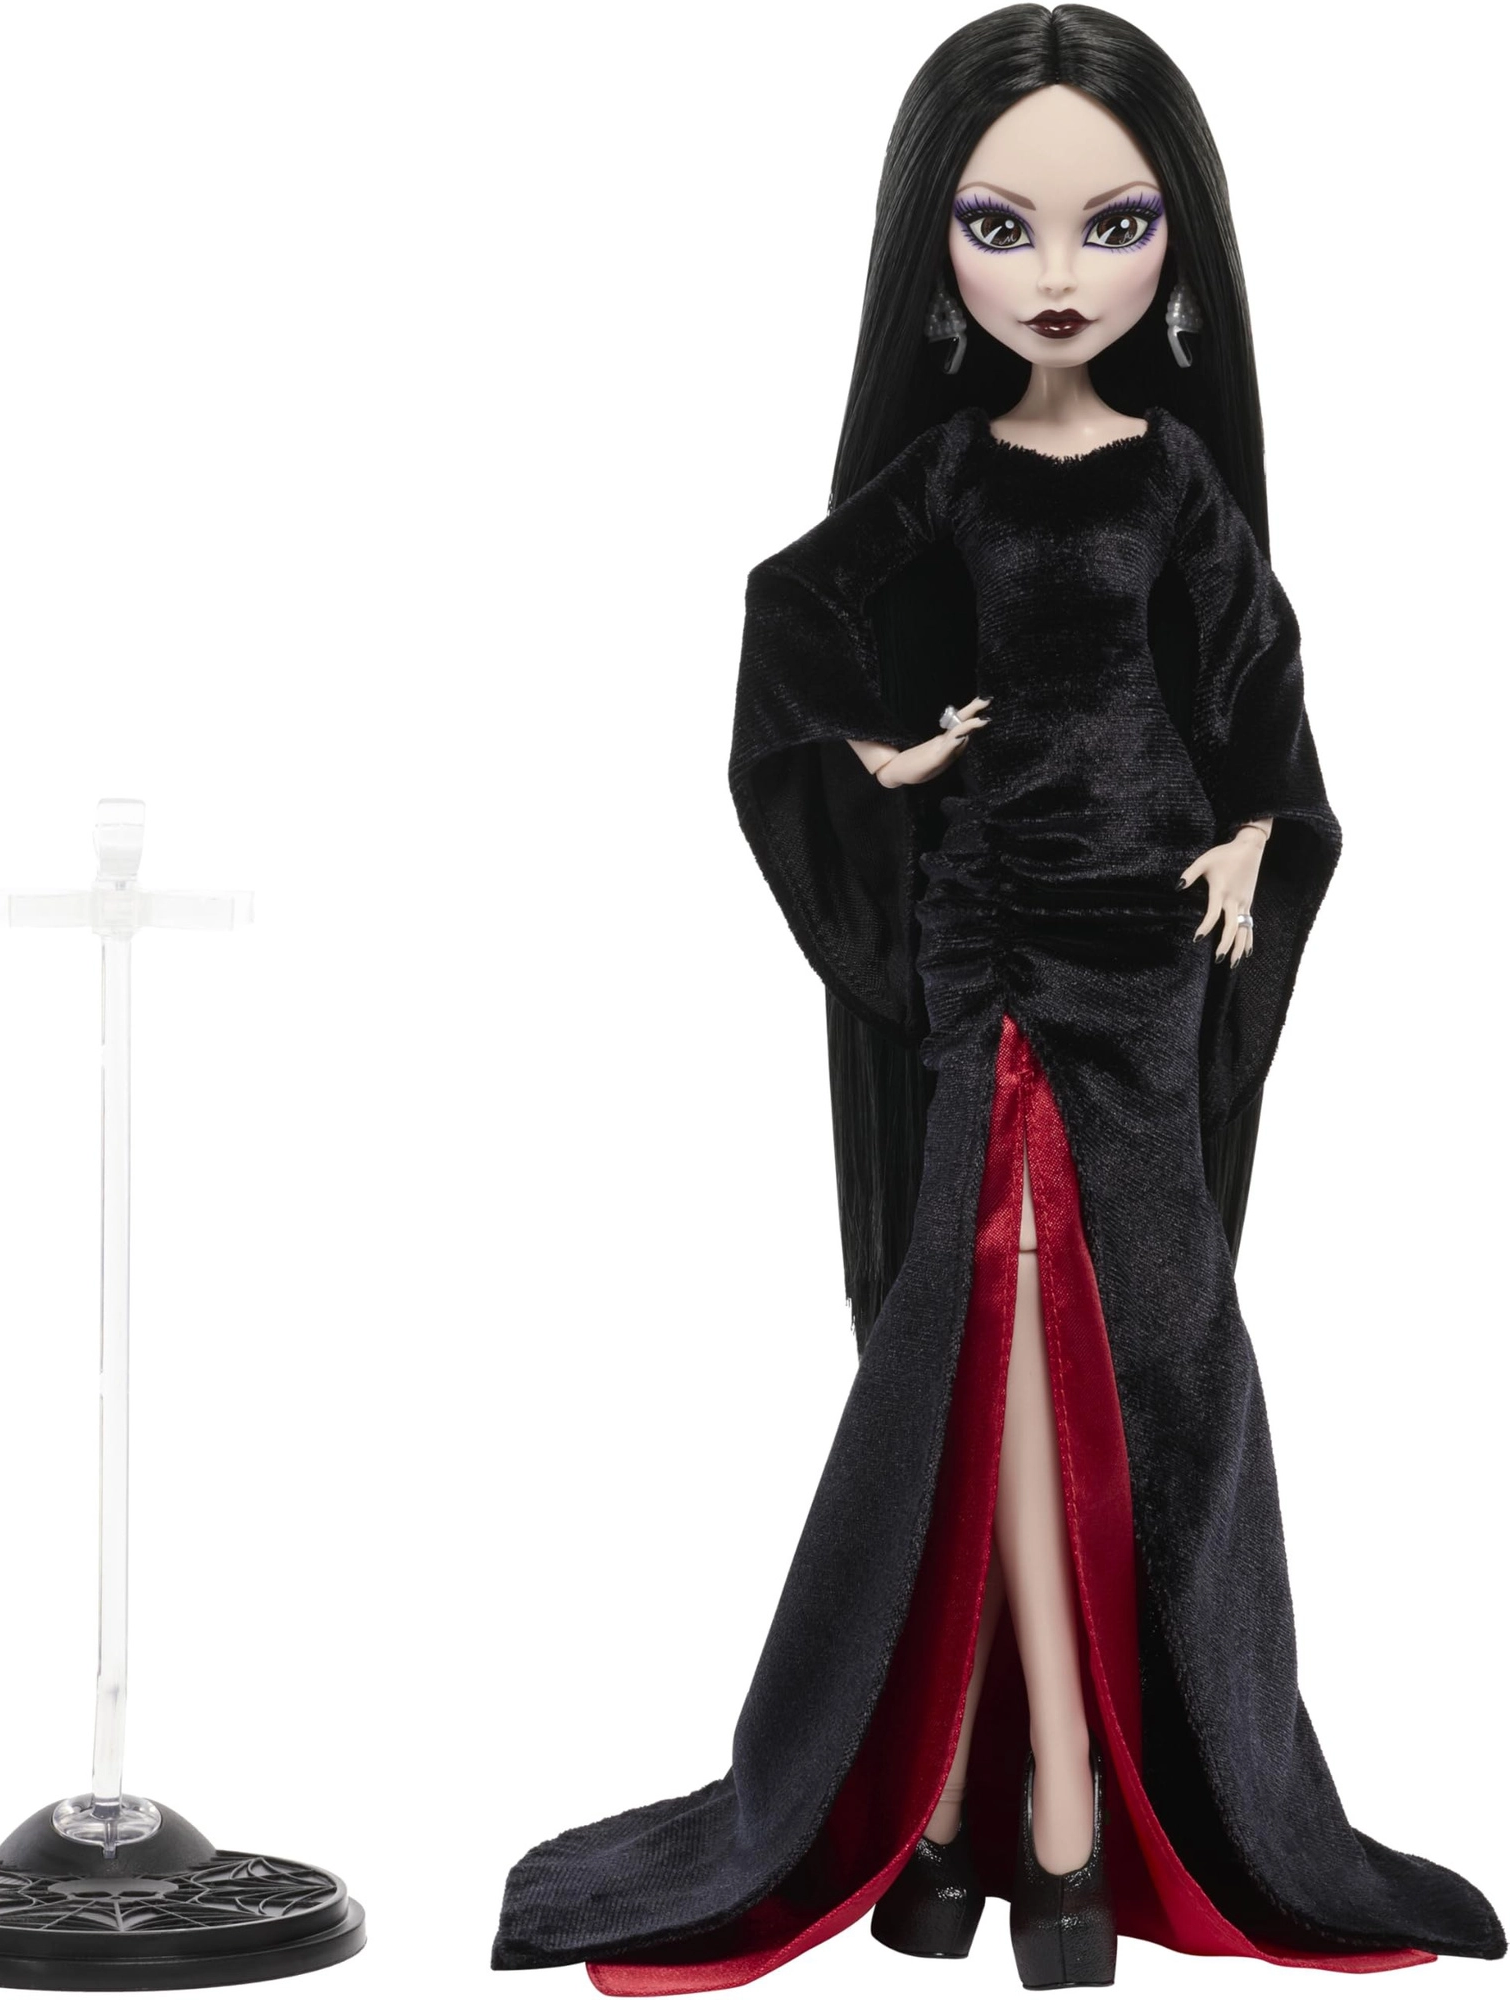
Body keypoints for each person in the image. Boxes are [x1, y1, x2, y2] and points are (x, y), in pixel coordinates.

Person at [492, 7, 1506, 1989]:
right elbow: (791, 607)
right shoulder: (950, 470)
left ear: (1176, 245)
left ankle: (993, 1802)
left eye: (1110, 225)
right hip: (986, 932)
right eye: (1000, 224)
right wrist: (878, 755)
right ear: (930, 248)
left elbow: (1259, 694)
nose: (1055, 273)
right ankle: (1021, 1808)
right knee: (980, 1328)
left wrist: (1250, 841)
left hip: (1142, 937)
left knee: (1142, 1353)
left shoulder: (1173, 479)